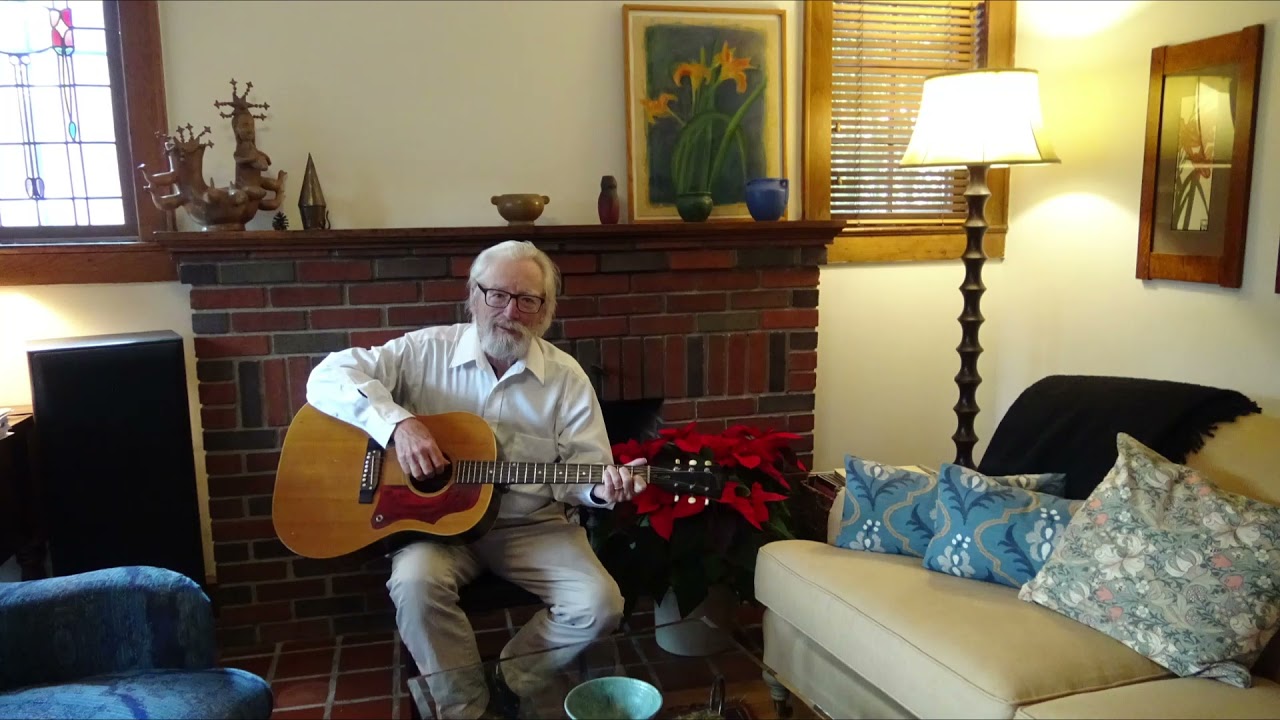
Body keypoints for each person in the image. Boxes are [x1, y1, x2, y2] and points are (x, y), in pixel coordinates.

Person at [305, 240, 646, 719]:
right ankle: (466, 707)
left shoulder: (566, 378)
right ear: (473, 295)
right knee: (415, 583)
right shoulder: (423, 351)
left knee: (600, 604)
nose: (511, 311)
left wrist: (601, 488)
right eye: (498, 295)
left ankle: (508, 679)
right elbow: (327, 375)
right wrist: (397, 425)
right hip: (435, 527)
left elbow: (584, 469)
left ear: (546, 310)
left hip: (531, 525)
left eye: (529, 300)